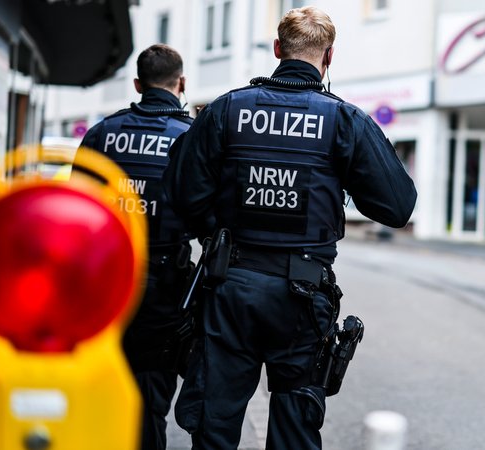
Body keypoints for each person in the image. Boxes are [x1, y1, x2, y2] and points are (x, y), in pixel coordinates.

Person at [163, 6, 417, 449]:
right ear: (329, 56)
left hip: (230, 289)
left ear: (278, 50)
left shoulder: (226, 110)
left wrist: (219, 232)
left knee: (214, 426)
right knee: (294, 430)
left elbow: (181, 194)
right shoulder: (345, 121)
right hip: (303, 296)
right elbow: (398, 206)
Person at [73, 44, 194, 450]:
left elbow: (76, 209)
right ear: (181, 83)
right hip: (164, 286)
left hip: (102, 282)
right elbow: (208, 216)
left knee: (97, 387)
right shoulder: (190, 138)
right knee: (148, 401)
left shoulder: (102, 133)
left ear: (138, 84)